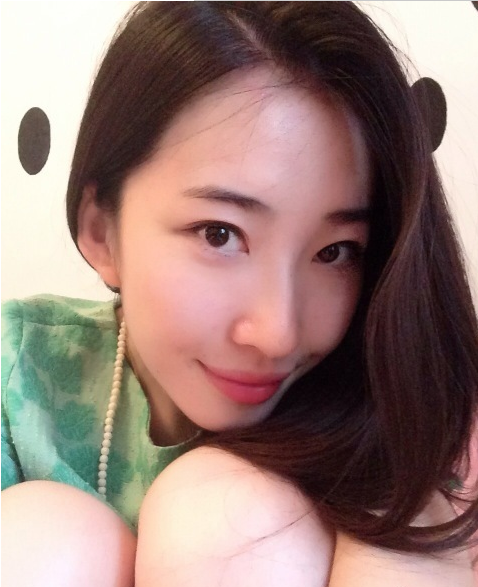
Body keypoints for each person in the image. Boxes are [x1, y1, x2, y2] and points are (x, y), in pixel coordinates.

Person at [2, 2, 477, 585]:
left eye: (335, 252)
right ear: (102, 231)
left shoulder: (416, 427)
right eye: (219, 234)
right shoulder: (21, 375)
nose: (278, 333)